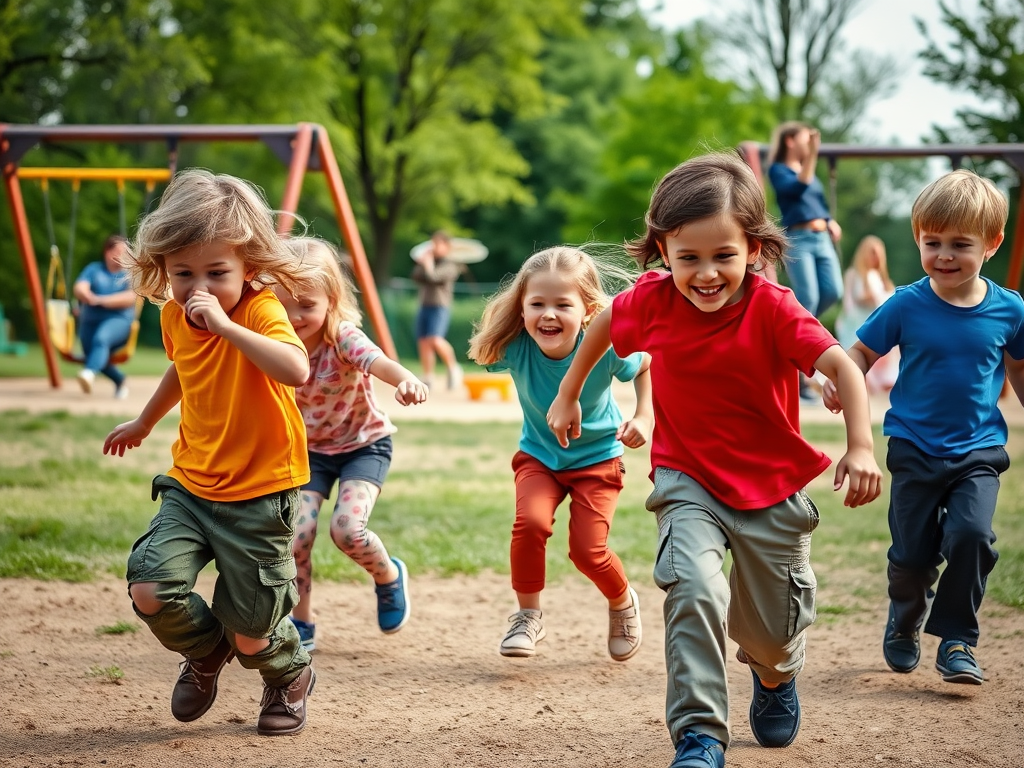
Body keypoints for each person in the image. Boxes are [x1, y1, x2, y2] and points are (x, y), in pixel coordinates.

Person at [547, 153, 882, 768]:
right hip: (688, 478)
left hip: (771, 486)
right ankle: (700, 734)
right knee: (693, 587)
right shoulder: (650, 301)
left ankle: (774, 676)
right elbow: (601, 329)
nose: (705, 274)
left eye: (722, 256)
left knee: (771, 632)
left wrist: (860, 446)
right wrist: (568, 395)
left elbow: (841, 367)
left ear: (753, 249)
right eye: (688, 258)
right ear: (662, 250)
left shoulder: (774, 307)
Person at [102, 170, 318, 736]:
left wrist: (226, 326)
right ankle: (203, 653)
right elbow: (183, 367)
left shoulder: (258, 311)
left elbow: (296, 368)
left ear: (249, 266)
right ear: (163, 268)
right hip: (193, 484)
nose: (199, 286)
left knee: (252, 632)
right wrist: (145, 420)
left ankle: (288, 673)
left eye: (217, 272)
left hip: (261, 492)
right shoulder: (176, 315)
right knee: (151, 586)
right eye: (183, 273)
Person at [823, 169, 1024, 687]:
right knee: (912, 555)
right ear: (917, 240)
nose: (944, 255)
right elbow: (862, 351)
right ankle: (905, 616)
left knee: (973, 536)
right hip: (913, 446)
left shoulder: (1009, 309)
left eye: (961, 244)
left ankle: (958, 639)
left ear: (992, 244)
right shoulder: (908, 303)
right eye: (932, 243)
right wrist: (841, 382)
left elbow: (1019, 367)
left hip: (979, 449)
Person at [468, 246, 653, 661]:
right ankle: (527, 616)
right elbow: (485, 354)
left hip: (598, 459)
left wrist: (644, 417)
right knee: (529, 524)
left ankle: (622, 601)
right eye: (536, 304)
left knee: (588, 551)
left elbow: (644, 366)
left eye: (562, 304)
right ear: (522, 307)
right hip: (539, 457)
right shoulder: (516, 348)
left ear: (588, 310)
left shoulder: (606, 346)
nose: (548, 314)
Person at [273, 237, 427, 651]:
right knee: (298, 533)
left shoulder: (342, 336)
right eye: (283, 305)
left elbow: (377, 361)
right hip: (309, 454)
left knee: (347, 529)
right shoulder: (273, 341)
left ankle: (388, 576)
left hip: (363, 445)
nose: (294, 316)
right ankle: (301, 621)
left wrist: (405, 380)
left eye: (306, 304)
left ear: (331, 300)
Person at [767, 121, 845, 402]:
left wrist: (828, 220)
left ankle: (792, 333)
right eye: (804, 138)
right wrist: (813, 153)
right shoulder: (778, 170)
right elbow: (798, 191)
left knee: (833, 291)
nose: (809, 143)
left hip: (821, 237)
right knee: (808, 299)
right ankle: (798, 375)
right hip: (799, 238)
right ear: (790, 141)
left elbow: (817, 202)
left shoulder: (810, 173)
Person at [73, 234, 137, 398]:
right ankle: (120, 380)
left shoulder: (129, 273)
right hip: (90, 321)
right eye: (121, 251)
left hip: (119, 321)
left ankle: (88, 374)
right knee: (94, 354)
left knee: (101, 339)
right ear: (109, 253)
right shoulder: (94, 269)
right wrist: (85, 294)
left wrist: (100, 299)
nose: (126, 255)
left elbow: (130, 298)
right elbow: (80, 287)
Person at [834, 235, 900, 394]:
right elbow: (849, 302)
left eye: (878, 253)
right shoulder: (853, 274)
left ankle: (885, 381)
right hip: (857, 322)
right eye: (872, 252)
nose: (875, 257)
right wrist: (869, 297)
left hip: (874, 320)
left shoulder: (878, 277)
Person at [412, 230, 464, 390]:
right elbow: (416, 277)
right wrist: (422, 263)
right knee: (423, 341)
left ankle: (454, 368)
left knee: (435, 339)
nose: (434, 247)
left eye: (437, 243)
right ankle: (428, 376)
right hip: (424, 305)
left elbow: (434, 277)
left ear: (447, 246)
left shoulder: (450, 265)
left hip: (440, 306)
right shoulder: (430, 261)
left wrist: (428, 265)